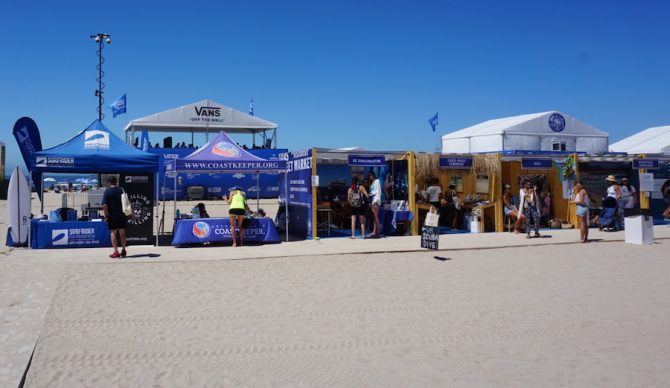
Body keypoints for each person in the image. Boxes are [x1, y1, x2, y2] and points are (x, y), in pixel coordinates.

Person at [101, 176, 127, 258]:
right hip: (122, 214)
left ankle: (116, 251)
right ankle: (123, 250)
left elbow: (104, 205)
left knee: (113, 233)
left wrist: (106, 216)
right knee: (122, 233)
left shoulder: (107, 191)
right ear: (116, 182)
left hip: (112, 216)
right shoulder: (121, 190)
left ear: (109, 182)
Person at [368, 171, 382, 238]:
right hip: (373, 200)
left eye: (370, 175)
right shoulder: (373, 182)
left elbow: (378, 192)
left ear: (373, 175)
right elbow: (373, 192)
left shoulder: (377, 181)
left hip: (375, 201)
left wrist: (375, 201)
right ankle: (374, 231)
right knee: (374, 217)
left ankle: (378, 232)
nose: (369, 177)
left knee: (376, 217)